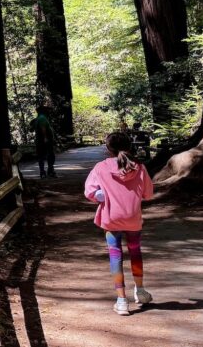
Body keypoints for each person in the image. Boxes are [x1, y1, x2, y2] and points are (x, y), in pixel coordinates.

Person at [83, 132, 154, 315]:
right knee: (135, 251)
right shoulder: (139, 167)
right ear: (129, 147)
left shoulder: (100, 167)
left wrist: (103, 195)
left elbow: (90, 192)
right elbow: (148, 194)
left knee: (115, 256)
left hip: (111, 217)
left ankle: (122, 301)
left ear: (107, 149)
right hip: (133, 218)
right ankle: (140, 291)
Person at [30, 106, 57, 178]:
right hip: (45, 141)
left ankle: (42, 172)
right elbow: (43, 128)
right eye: (47, 110)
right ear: (43, 111)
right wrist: (45, 138)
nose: (49, 112)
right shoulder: (42, 118)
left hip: (39, 141)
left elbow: (31, 129)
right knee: (50, 155)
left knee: (41, 156)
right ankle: (50, 171)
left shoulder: (38, 118)